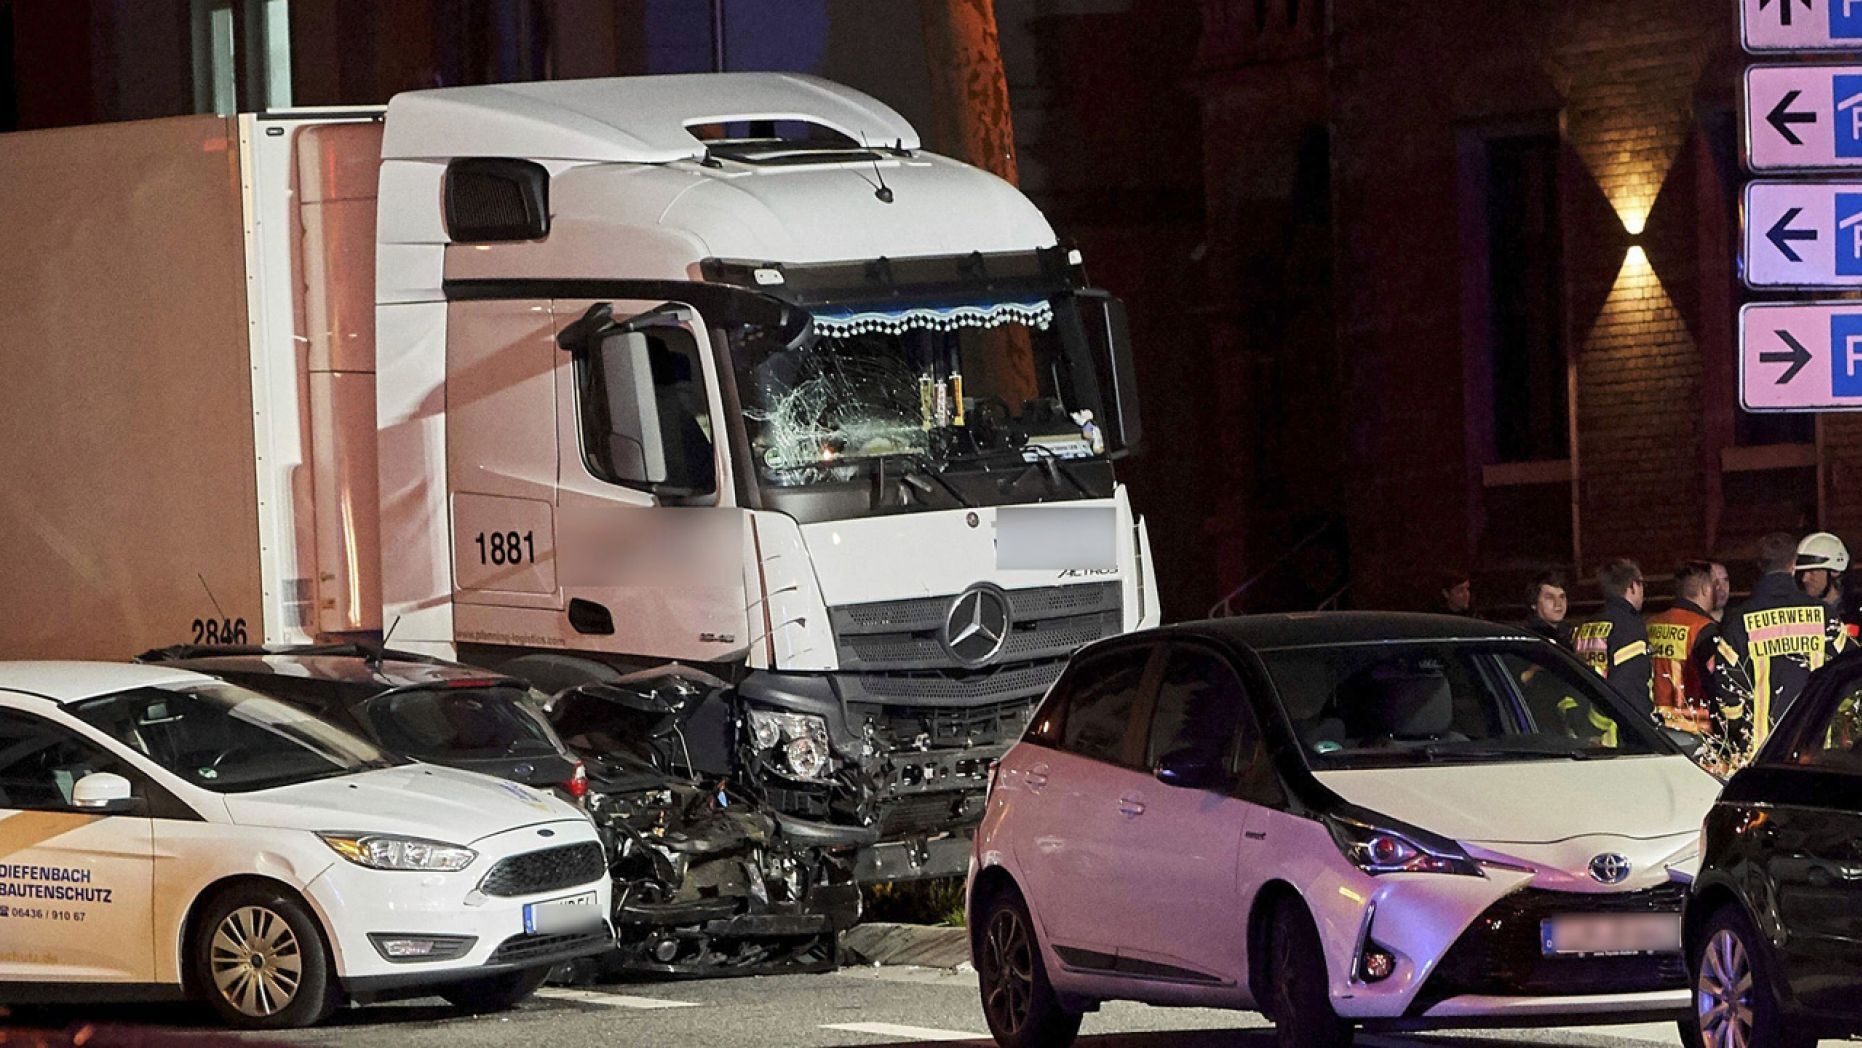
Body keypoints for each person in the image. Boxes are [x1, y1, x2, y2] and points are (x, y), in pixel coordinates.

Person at [1713, 532, 1851, 763]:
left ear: (1759, 566)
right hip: (1818, 753)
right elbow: (1848, 671)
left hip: (1763, 755)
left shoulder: (1739, 620)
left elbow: (1728, 689)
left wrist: (1741, 731)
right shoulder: (1823, 615)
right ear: (1794, 564)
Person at [1573, 559, 1653, 719]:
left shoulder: (1586, 625)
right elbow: (1629, 685)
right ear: (1633, 586)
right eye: (1642, 584)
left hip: (1585, 719)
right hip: (1616, 728)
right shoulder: (1628, 626)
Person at [1646, 560, 1719, 734]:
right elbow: (1720, 679)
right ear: (1705, 589)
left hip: (1653, 725)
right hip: (1692, 728)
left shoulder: (1651, 624)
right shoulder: (1703, 628)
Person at [1522, 571, 1572, 649]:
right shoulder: (1530, 639)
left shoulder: (1571, 635)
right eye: (1549, 597)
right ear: (1534, 604)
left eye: (1562, 597)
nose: (1558, 604)